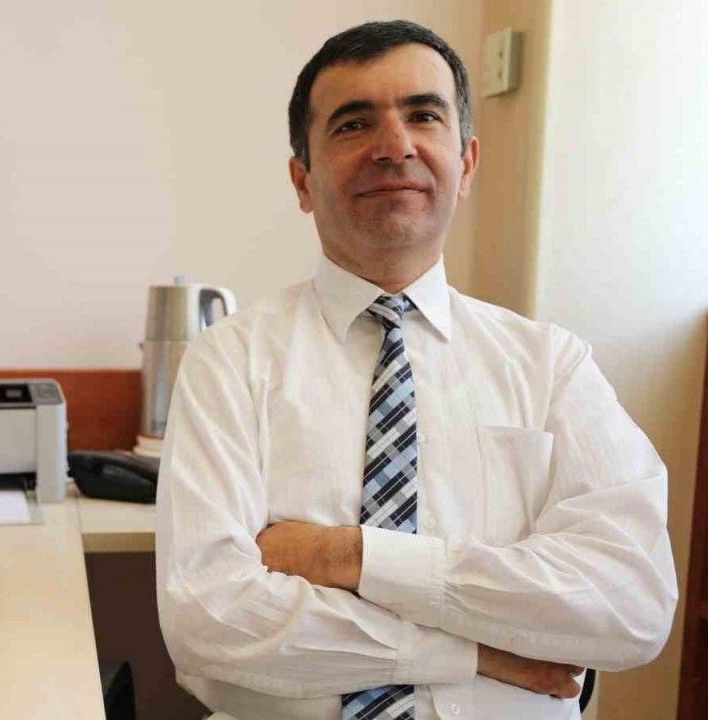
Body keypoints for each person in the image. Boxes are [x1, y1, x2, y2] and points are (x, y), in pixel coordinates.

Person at [154, 19, 678, 720]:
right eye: (353, 124)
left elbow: (633, 604)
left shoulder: (551, 365)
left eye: (424, 116)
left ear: (466, 162)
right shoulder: (228, 361)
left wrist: (349, 558)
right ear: (302, 180)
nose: (394, 146)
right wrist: (472, 652)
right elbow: (207, 616)